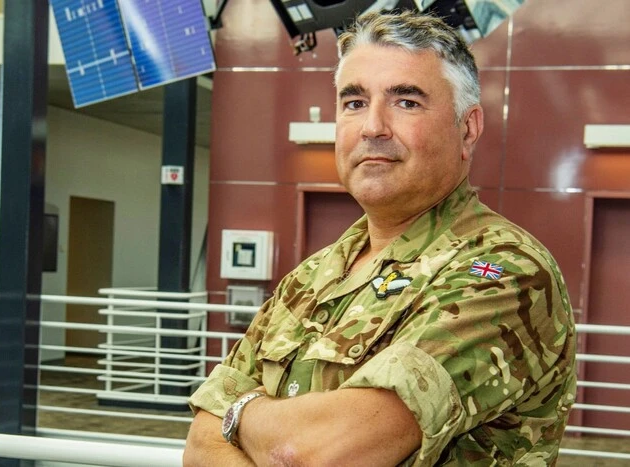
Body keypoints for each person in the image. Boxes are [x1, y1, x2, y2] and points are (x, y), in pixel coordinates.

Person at [184, 10, 576, 466]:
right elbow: (199, 446)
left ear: (467, 129)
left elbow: (316, 453)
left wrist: (238, 411)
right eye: (354, 102)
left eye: (406, 101)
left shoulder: (504, 271)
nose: (372, 126)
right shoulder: (310, 278)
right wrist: (256, 431)